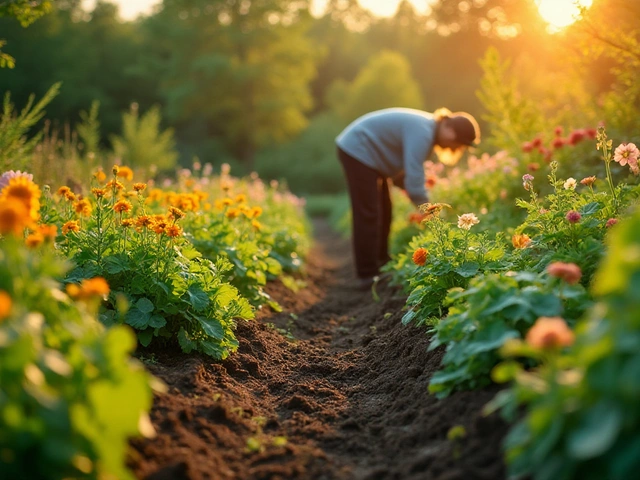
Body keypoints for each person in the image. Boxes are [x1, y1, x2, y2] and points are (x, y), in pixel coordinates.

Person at [335, 107, 480, 290]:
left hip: (370, 156)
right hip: (358, 148)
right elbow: (414, 180)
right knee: (369, 213)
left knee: (385, 211)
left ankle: (380, 263)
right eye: (458, 143)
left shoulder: (426, 131)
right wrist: (432, 214)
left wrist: (416, 193)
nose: (455, 148)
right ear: (449, 129)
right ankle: (367, 274)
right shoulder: (423, 132)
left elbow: (404, 174)